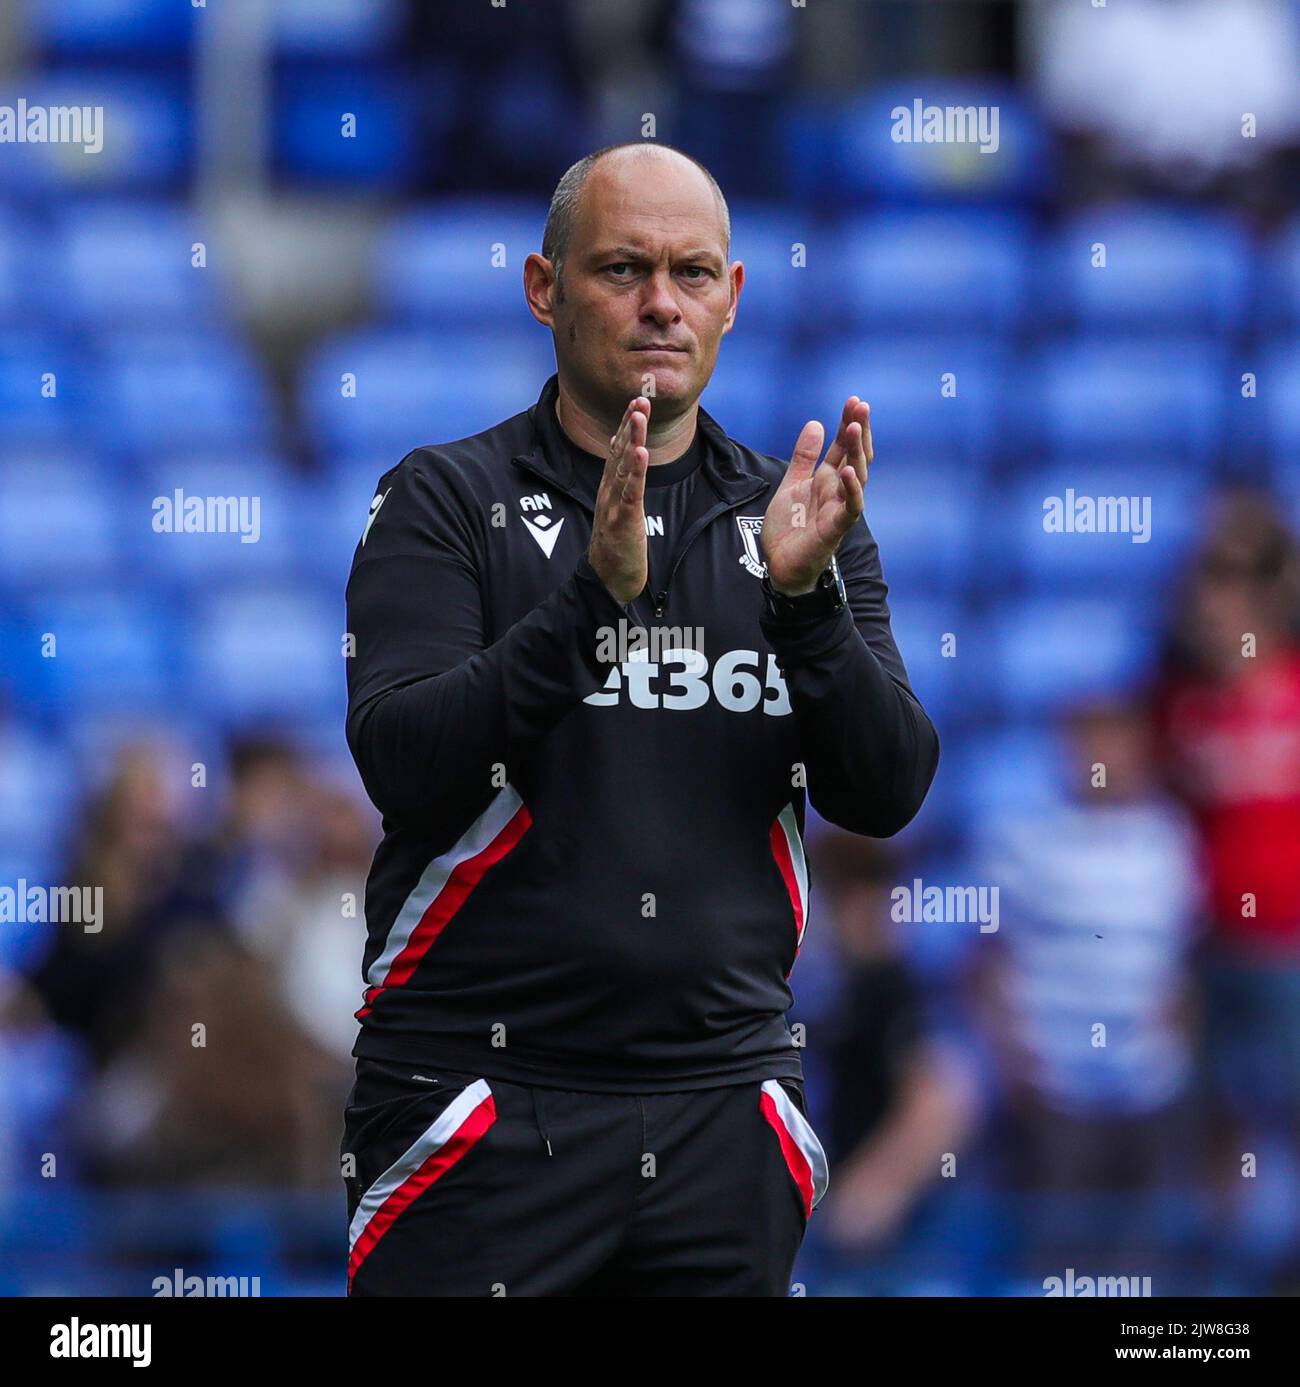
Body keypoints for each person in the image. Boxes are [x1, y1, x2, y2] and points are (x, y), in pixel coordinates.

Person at [340, 141, 940, 1296]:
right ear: (543, 286)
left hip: (724, 1104)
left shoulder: (799, 517)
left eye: (693, 272)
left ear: (733, 296)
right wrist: (588, 608)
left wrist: (806, 608)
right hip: (479, 1101)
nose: (662, 302)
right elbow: (403, 761)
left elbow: (888, 787)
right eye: (621, 269)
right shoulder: (444, 498)